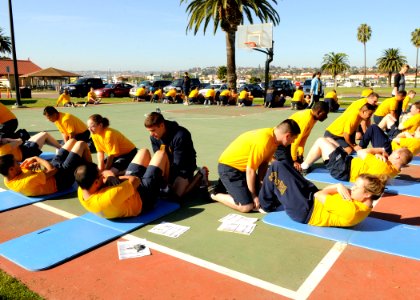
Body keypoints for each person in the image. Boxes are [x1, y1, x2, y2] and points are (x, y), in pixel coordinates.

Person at [258, 160, 386, 227]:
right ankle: (273, 192)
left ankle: (264, 205)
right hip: (311, 198)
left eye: (356, 187)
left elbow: (318, 195)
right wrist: (338, 189)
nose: (352, 188)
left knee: (276, 167)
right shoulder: (363, 203)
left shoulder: (352, 210)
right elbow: (321, 193)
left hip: (304, 209)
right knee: (284, 165)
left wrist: (337, 186)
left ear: (367, 194)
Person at [211, 119, 301, 213]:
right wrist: (254, 196)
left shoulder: (274, 140)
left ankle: (225, 185)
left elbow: (264, 164)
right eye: (293, 139)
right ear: (287, 136)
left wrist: (261, 185)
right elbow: (251, 170)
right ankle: (213, 194)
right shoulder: (264, 140)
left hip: (243, 170)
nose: (293, 142)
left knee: (262, 194)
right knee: (247, 206)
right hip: (229, 169)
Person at [75, 148, 169, 218]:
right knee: (161, 154)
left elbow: (105, 173)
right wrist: (114, 177)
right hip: (143, 197)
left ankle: (155, 174)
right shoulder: (109, 197)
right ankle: (166, 185)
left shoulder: (82, 189)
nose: (103, 175)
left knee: (143, 151)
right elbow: (136, 180)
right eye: (101, 176)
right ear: (96, 182)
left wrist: (108, 176)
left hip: (126, 192)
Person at [0, 139, 91, 196]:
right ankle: (92, 173)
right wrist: (36, 158)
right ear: (11, 169)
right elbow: (53, 170)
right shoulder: (26, 182)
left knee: (72, 141)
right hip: (60, 179)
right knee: (81, 144)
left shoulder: (8, 178)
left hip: (51, 170)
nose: (19, 164)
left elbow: (41, 171)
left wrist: (33, 168)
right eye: (16, 163)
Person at [144, 112, 203, 198]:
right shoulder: (154, 136)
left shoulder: (181, 135)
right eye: (149, 131)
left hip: (184, 167)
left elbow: (178, 164)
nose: (151, 134)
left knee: (176, 196)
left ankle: (200, 175)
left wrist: (167, 181)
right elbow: (158, 156)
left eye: (153, 130)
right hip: (169, 165)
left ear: (162, 125)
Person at [300, 137, 413, 182]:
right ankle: (325, 158)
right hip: (347, 163)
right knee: (329, 139)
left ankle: (303, 167)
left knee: (321, 141)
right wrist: (379, 156)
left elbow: (360, 152)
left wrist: (380, 150)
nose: (391, 152)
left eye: (394, 152)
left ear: (398, 157)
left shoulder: (382, 165)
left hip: (342, 169)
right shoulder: (394, 169)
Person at [275, 101, 329, 171]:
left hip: (290, 141)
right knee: (287, 166)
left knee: (297, 163)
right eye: (325, 114)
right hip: (282, 142)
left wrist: (300, 154)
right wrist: (294, 160)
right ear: (319, 112)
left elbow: (304, 137)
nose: (326, 117)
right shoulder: (307, 119)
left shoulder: (313, 118)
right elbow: (295, 142)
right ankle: (274, 155)